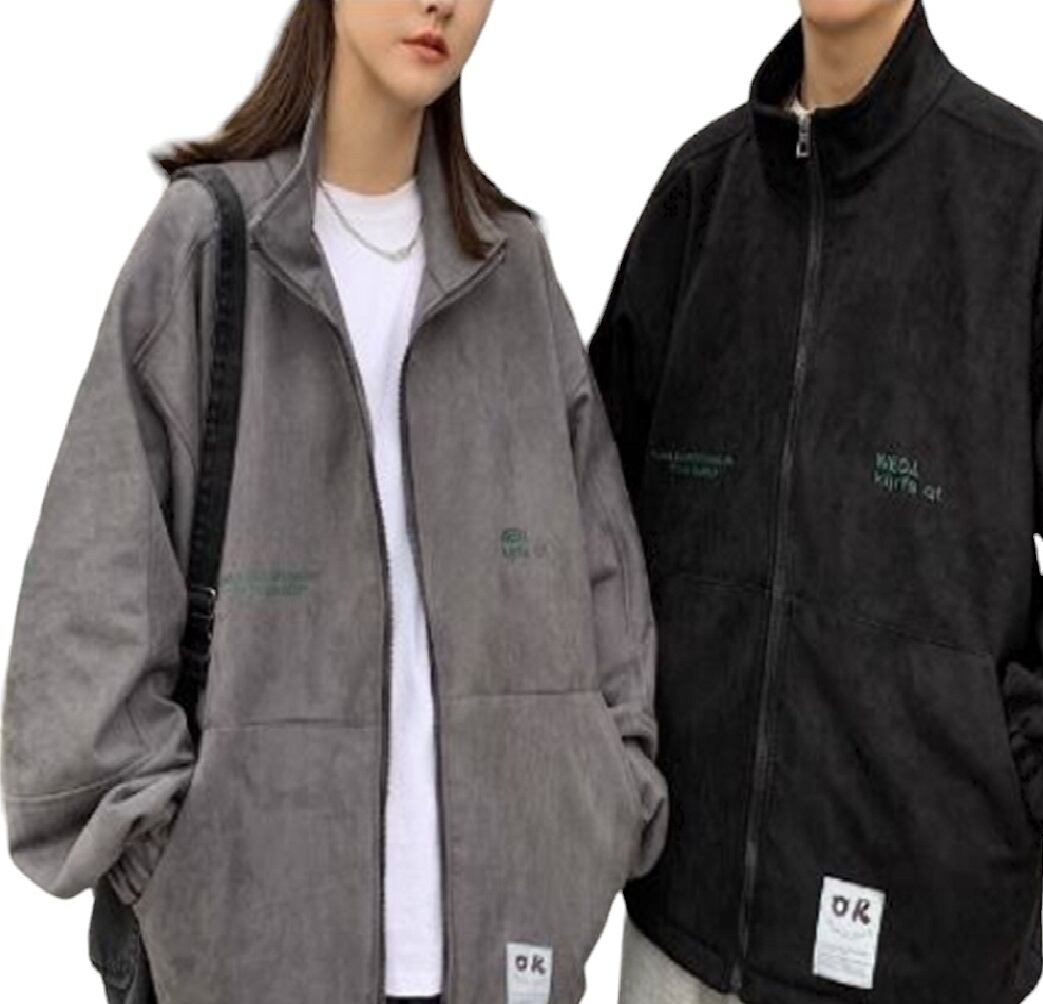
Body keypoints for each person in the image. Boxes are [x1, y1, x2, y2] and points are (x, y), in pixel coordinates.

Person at [0, 2, 667, 1003]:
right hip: (259, 961)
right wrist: (177, 879)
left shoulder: (513, 271)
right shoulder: (209, 246)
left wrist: (601, 805)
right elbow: (85, 619)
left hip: (502, 960)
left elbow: (609, 598)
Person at [588, 1, 1043, 1002]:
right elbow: (591, 524)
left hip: (918, 949)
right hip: (680, 930)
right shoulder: (702, 195)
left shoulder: (1029, 198)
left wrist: (1028, 761)